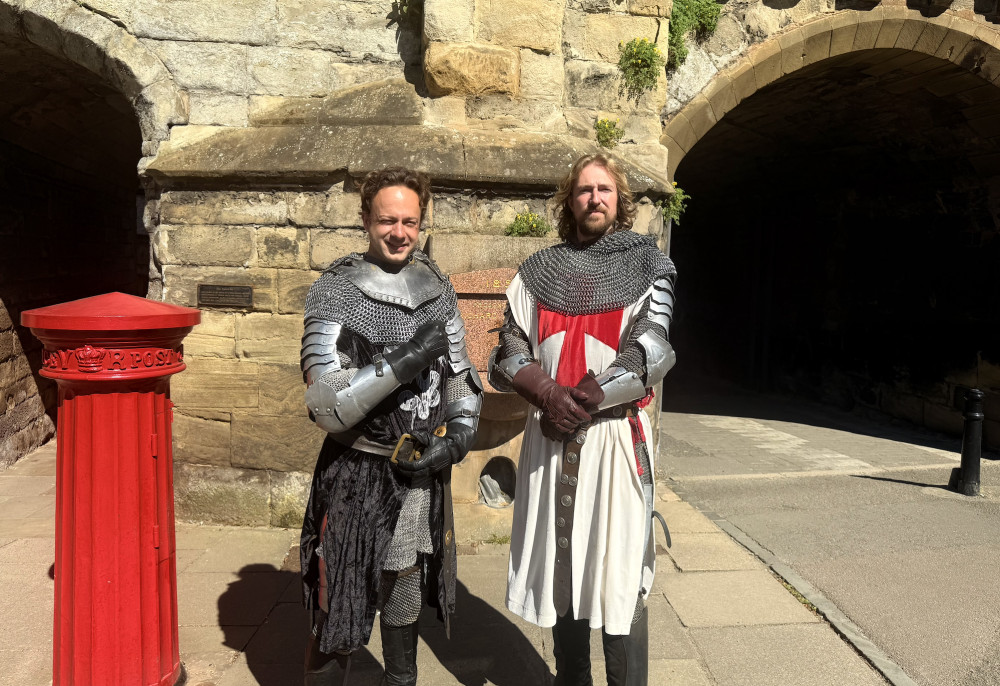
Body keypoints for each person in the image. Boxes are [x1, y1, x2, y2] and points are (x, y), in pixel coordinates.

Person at [488, 154, 676, 686]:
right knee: (562, 569)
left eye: (604, 189)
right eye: (584, 190)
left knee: (620, 574)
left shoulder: (648, 265)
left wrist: (587, 398)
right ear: (569, 201)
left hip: (613, 440)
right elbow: (508, 351)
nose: (594, 198)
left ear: (620, 200)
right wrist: (548, 394)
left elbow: (652, 349)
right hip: (548, 440)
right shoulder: (536, 272)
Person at [299, 167, 483, 686]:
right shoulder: (336, 290)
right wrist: (405, 360)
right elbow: (324, 403)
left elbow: (461, 378)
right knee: (339, 598)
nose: (399, 233)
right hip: (355, 474)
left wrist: (457, 438)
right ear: (365, 220)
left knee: (404, 592)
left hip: (418, 473)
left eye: (409, 222)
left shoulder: (436, 286)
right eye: (387, 221)